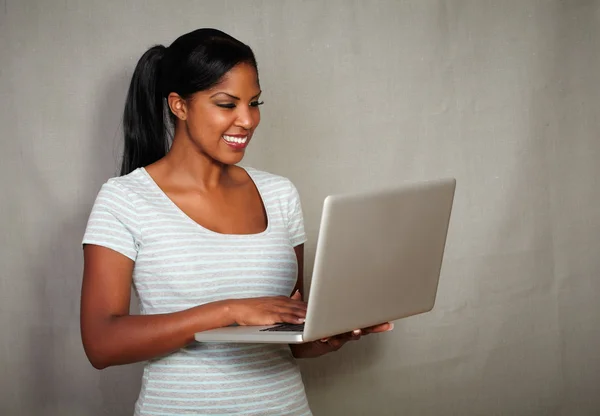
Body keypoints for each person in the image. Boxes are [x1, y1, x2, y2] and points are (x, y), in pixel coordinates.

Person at [80, 28, 391, 415]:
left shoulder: (279, 194)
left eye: (255, 102)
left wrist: (329, 334)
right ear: (179, 105)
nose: (247, 120)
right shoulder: (125, 199)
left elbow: (288, 332)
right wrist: (228, 311)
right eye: (227, 104)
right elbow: (101, 343)